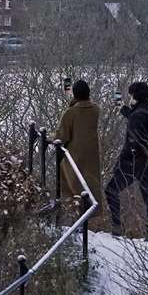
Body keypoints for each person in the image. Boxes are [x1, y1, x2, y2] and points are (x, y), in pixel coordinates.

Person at [104, 80, 148, 237]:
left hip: (133, 163)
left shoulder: (138, 115)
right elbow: (131, 115)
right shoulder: (147, 111)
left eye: (130, 95)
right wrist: (118, 101)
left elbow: (133, 141)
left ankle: (117, 226)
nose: (129, 98)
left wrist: (122, 163)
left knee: (111, 190)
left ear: (135, 96)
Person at [56, 79, 102, 214]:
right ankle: (91, 215)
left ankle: (75, 214)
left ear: (75, 94)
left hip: (75, 157)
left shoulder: (71, 113)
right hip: (92, 156)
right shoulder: (95, 109)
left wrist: (53, 137)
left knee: (72, 185)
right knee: (90, 186)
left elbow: (62, 136)